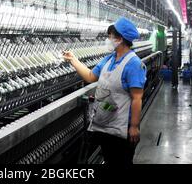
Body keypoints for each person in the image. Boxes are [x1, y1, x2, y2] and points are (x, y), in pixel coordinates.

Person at [63, 17, 147, 165]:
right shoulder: (109, 59)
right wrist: (73, 60)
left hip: (122, 128)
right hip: (105, 125)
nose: (108, 39)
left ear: (120, 39)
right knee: (110, 159)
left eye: (110, 37)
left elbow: (137, 98)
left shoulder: (134, 64)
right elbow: (90, 76)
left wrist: (134, 126)